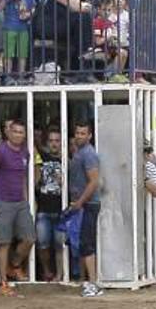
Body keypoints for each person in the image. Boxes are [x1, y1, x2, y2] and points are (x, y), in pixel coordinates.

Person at [0, 120, 35, 296]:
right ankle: (3, 283)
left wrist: (26, 200)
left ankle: (14, 265)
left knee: (29, 238)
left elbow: (23, 177)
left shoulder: (25, 152)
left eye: (21, 132)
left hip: (20, 202)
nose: (18, 135)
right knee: (4, 242)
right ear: (8, 133)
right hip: (3, 202)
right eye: (15, 131)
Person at [67, 121, 103, 298]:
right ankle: (86, 280)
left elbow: (94, 181)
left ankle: (93, 283)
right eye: (77, 133)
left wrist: (80, 202)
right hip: (83, 203)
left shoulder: (88, 154)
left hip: (89, 204)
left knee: (87, 243)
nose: (79, 136)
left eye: (83, 133)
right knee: (82, 243)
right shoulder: (79, 152)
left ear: (89, 136)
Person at [34, 127, 66, 282]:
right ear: (46, 143)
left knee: (60, 245)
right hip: (43, 209)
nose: (54, 144)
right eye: (51, 141)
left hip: (61, 209)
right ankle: (47, 272)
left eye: (57, 141)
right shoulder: (42, 157)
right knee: (42, 244)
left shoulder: (67, 160)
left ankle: (59, 275)